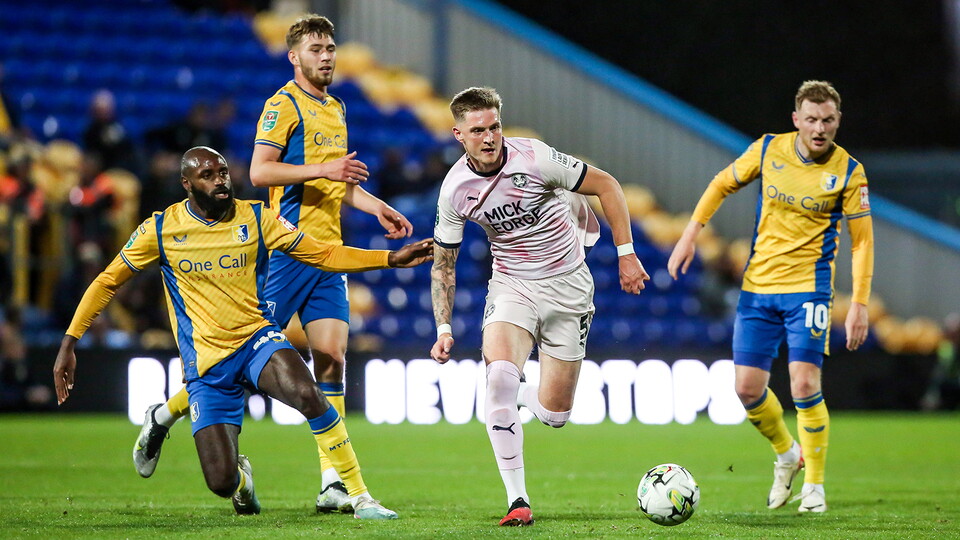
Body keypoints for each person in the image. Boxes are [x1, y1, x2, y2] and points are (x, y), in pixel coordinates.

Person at [54, 146, 432, 518]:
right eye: (208, 175)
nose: (221, 181)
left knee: (309, 394)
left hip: (256, 342)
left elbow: (322, 253)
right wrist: (69, 343)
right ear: (187, 183)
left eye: (222, 172)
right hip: (207, 367)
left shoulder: (256, 217)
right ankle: (240, 482)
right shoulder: (161, 229)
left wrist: (389, 259)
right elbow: (107, 282)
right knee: (220, 481)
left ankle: (359, 495)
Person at [134, 14, 414, 514]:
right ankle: (165, 414)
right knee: (237, 362)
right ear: (294, 56)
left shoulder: (338, 106)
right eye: (315, 49)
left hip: (327, 255)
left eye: (330, 47)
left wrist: (376, 207)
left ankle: (331, 482)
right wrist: (324, 167)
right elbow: (260, 171)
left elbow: (338, 183)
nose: (326, 55)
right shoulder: (281, 106)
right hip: (286, 254)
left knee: (331, 360)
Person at [429, 87, 650, 526]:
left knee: (554, 414)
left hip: (569, 286)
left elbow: (607, 184)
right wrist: (443, 327)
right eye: (478, 131)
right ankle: (517, 501)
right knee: (498, 381)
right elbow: (443, 266)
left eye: (494, 127)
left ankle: (572, 208)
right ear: (459, 134)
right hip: (512, 285)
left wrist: (626, 252)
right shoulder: (455, 190)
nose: (490, 137)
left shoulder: (533, 158)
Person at [667, 80, 874, 513]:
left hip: (810, 290)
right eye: (812, 119)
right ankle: (787, 454)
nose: (820, 128)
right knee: (745, 389)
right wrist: (690, 235)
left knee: (803, 383)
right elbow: (722, 183)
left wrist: (858, 303)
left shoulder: (849, 172)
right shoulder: (767, 150)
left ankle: (814, 486)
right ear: (796, 119)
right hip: (758, 288)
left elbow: (861, 242)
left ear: (838, 122)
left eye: (828, 120)